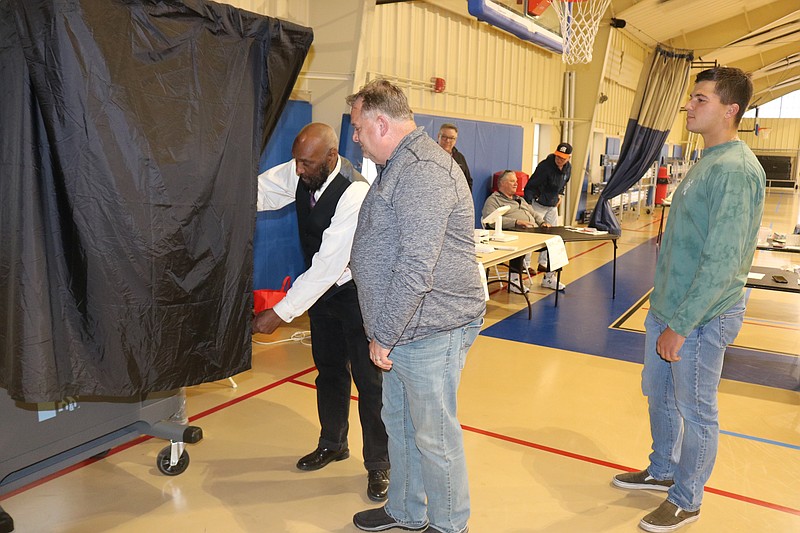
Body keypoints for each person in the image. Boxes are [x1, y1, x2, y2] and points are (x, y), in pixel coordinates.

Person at [612, 67, 765, 533]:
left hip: (701, 317)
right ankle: (662, 469)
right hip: (668, 308)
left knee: (697, 410)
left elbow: (722, 262)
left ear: (730, 109)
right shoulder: (708, 159)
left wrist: (683, 323)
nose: (689, 106)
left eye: (701, 99)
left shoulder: (737, 171)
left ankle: (687, 498)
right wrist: (663, 313)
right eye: (691, 98)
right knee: (658, 395)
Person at [346, 80, 485, 533]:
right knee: (400, 424)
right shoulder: (397, 165)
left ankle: (449, 525)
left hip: (431, 327)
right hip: (404, 327)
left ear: (380, 123)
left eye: (357, 127)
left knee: (434, 436)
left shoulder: (424, 170)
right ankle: (406, 510)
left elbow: (415, 267)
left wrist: (383, 333)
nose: (354, 137)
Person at [253, 123, 390, 502]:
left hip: (355, 292)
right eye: (297, 161)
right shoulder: (303, 169)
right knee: (328, 372)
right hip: (322, 295)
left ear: (331, 158)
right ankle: (333, 442)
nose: (298, 170)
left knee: (369, 382)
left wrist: (279, 313)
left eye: (307, 163)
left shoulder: (355, 191)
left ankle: (379, 465)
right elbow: (261, 191)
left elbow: (330, 265)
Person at [481, 170, 548, 293]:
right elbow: (490, 220)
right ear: (502, 183)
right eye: (512, 181)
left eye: (516, 181)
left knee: (556, 241)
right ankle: (514, 280)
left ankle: (549, 278)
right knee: (519, 244)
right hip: (512, 232)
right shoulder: (493, 200)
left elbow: (533, 213)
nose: (516, 184)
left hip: (532, 232)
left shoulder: (520, 199)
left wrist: (542, 222)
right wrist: (516, 222)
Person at [523, 142, 572, 290]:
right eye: (558, 156)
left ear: (568, 158)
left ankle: (543, 263)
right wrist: (530, 203)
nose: (559, 160)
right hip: (538, 204)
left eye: (563, 158)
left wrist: (560, 194)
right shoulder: (545, 166)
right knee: (533, 235)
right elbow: (530, 185)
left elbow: (563, 184)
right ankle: (526, 264)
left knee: (553, 236)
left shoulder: (568, 168)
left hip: (552, 206)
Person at [437, 123, 472, 191]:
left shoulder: (460, 158)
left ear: (455, 140)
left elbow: (467, 181)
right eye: (444, 137)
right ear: (438, 136)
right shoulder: (429, 155)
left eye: (451, 138)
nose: (448, 141)